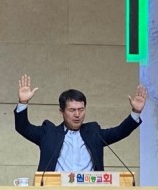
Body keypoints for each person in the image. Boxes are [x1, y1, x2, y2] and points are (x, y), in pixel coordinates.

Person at [14, 74, 147, 172]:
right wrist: (23, 102)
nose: (77, 114)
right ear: (62, 112)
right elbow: (23, 127)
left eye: (81, 109)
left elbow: (120, 131)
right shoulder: (48, 133)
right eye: (72, 110)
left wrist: (136, 111)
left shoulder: (94, 132)